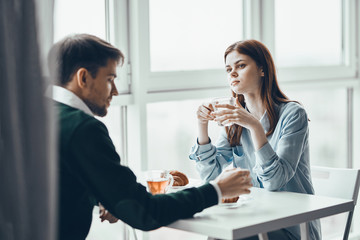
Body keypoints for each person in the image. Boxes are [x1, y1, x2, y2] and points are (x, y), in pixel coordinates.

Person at [47, 34, 253, 240]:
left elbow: (63, 179)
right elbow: (146, 211)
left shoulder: (35, 117)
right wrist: (217, 189)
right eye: (110, 79)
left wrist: (104, 196)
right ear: (83, 78)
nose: (116, 91)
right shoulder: (83, 128)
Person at [189, 39, 321, 240]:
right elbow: (210, 176)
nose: (232, 73)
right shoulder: (235, 119)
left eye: (240, 66)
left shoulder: (293, 114)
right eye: (228, 69)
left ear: (262, 69)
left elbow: (275, 181)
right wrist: (202, 125)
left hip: (292, 227)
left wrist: (254, 126)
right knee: (217, 236)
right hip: (255, 219)